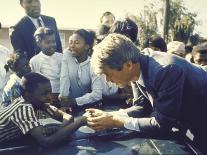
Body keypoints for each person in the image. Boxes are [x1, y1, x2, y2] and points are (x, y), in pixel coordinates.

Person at [86, 33, 207, 153]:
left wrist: (116, 121)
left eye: (108, 74)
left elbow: (162, 125)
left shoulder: (165, 71)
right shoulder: (135, 66)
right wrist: (110, 116)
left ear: (128, 65)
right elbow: (142, 106)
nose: (107, 80)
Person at [0, 72, 87, 147]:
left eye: (50, 92)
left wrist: (59, 129)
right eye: (44, 94)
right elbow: (46, 142)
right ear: (28, 95)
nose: (49, 97)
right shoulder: (23, 108)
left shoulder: (38, 103)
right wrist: (80, 122)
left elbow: (68, 117)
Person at [59, 29, 103, 109]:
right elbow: (64, 78)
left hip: (88, 106)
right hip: (67, 106)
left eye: (76, 43)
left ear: (87, 46)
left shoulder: (93, 64)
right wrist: (63, 98)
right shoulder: (67, 55)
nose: (71, 46)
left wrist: (73, 101)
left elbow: (97, 94)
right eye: (71, 42)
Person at [30, 27, 62, 105]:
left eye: (54, 41)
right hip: (47, 99)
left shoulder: (62, 57)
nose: (52, 45)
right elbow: (36, 83)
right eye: (48, 42)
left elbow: (65, 78)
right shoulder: (35, 60)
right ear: (39, 43)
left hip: (63, 96)